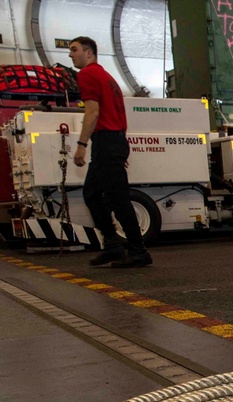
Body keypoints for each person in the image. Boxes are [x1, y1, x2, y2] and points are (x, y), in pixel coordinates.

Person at [69, 36, 152, 268]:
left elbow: (92, 112)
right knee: (92, 194)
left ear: (89, 53)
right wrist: (119, 147)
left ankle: (138, 251)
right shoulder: (107, 77)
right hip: (113, 141)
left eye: (74, 50)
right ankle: (113, 246)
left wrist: (81, 145)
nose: (70, 54)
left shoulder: (87, 74)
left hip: (107, 141)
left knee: (117, 199)